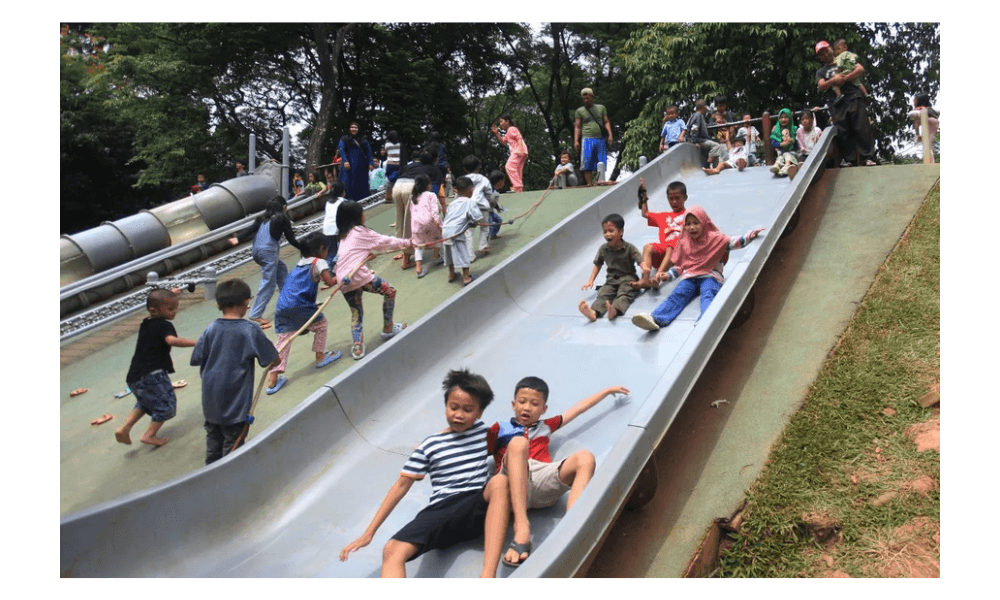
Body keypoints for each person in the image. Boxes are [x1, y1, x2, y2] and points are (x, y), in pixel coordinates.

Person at [339, 368, 511, 578]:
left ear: (479, 413)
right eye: (453, 407)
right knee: (392, 550)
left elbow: (525, 438)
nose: (459, 414)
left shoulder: (485, 434)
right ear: (445, 407)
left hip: (476, 505)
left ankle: (488, 575)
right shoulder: (430, 445)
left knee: (499, 482)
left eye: (468, 409)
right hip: (442, 510)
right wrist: (369, 533)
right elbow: (401, 486)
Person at [487, 377, 630, 567]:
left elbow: (578, 409)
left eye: (534, 404)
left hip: (540, 479)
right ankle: (521, 532)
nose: (527, 408)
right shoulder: (500, 429)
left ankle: (573, 523)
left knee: (585, 457)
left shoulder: (546, 425)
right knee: (517, 445)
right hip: (511, 484)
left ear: (544, 409)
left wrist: (606, 391)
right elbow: (473, 448)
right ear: (514, 404)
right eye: (522, 402)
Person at [631, 206, 764, 332]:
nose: (691, 227)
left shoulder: (714, 238)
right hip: (690, 276)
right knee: (677, 295)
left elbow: (733, 242)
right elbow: (680, 266)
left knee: (708, 293)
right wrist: (668, 275)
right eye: (688, 224)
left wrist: (749, 236)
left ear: (704, 223)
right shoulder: (685, 242)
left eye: (696, 223)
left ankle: (706, 318)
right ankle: (657, 318)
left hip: (710, 275)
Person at [190, 279, 280, 464]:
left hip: (211, 403)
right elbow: (272, 358)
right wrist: (275, 361)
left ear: (218, 304)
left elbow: (197, 357)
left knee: (214, 443)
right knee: (233, 447)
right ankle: (229, 476)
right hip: (235, 405)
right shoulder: (249, 329)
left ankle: (211, 471)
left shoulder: (210, 329)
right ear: (247, 302)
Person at [114, 289, 197, 447]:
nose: (175, 311)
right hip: (153, 375)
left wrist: (171, 294)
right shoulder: (164, 325)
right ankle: (149, 435)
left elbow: (157, 301)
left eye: (176, 307)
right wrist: (197, 343)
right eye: (171, 309)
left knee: (145, 402)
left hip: (134, 377)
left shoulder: (147, 322)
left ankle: (125, 428)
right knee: (166, 405)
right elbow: (171, 341)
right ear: (154, 310)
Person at [264, 232, 343, 394]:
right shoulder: (319, 262)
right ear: (321, 249)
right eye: (326, 249)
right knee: (321, 324)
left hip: (282, 306)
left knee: (284, 340)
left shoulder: (299, 264)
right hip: (301, 305)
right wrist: (342, 277)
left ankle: (272, 378)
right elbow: (329, 281)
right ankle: (320, 356)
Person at [334, 200, 411, 360]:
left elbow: (356, 252)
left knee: (356, 312)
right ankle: (388, 327)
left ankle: (357, 346)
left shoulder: (343, 235)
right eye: (362, 212)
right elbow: (385, 242)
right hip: (358, 276)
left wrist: (367, 254)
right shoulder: (359, 231)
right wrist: (408, 243)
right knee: (390, 291)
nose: (364, 215)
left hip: (343, 280)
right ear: (356, 216)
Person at [228, 196, 304, 330]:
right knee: (269, 282)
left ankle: (290, 301)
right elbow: (291, 239)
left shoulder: (262, 218)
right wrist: (304, 248)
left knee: (281, 270)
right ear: (284, 207)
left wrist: (237, 238)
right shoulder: (282, 218)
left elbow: (250, 229)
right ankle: (256, 313)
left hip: (257, 252)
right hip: (268, 252)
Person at [816, 40, 876, 167]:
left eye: (825, 50)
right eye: (821, 54)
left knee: (861, 127)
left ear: (831, 49)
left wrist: (844, 79)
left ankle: (867, 158)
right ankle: (850, 160)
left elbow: (860, 69)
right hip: (837, 103)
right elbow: (821, 85)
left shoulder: (843, 58)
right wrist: (833, 80)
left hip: (854, 97)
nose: (824, 54)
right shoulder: (821, 71)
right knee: (843, 131)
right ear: (819, 58)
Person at [578, 213, 643, 322]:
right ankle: (594, 313)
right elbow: (598, 264)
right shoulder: (603, 249)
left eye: (611, 231)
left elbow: (640, 260)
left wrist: (645, 268)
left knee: (624, 294)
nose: (607, 234)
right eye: (605, 232)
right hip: (611, 280)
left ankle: (614, 311)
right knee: (603, 294)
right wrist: (591, 280)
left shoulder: (629, 248)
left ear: (621, 232)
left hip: (628, 279)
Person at [392, 151, 443, 270]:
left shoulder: (410, 165)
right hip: (410, 187)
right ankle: (406, 259)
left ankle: (402, 250)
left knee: (400, 222)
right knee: (409, 223)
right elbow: (434, 191)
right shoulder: (432, 168)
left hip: (397, 186)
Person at [632, 178, 687, 289]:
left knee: (671, 247)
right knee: (647, 247)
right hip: (664, 255)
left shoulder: (689, 215)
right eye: (671, 199)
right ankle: (645, 279)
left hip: (680, 255)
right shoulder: (664, 216)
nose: (674, 202)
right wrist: (643, 195)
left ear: (685, 198)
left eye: (677, 198)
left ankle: (657, 277)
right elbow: (645, 213)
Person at [441, 176, 489, 286]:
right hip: (456, 232)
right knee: (463, 253)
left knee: (449, 254)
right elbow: (477, 217)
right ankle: (466, 277)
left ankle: (451, 274)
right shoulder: (470, 202)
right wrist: (474, 223)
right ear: (471, 190)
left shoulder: (453, 203)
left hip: (445, 231)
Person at [574, 87, 613, 186]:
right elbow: (577, 126)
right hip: (587, 138)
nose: (586, 100)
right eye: (584, 99)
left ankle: (601, 181)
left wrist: (610, 134)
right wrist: (576, 141)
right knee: (587, 162)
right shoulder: (579, 111)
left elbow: (606, 122)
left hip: (600, 138)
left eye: (588, 98)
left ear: (592, 97)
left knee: (601, 161)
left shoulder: (601, 108)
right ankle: (589, 183)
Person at [462, 154, 500, 257]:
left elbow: (459, 195)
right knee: (484, 227)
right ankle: (483, 246)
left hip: (467, 208)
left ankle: (470, 255)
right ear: (478, 168)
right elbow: (489, 195)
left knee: (468, 231)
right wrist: (492, 205)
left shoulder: (462, 180)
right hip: (482, 208)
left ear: (465, 169)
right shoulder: (483, 179)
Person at [409, 174, 443, 278]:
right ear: (428, 185)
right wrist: (438, 221)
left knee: (418, 245)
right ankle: (436, 256)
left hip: (416, 225)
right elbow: (435, 209)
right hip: (428, 222)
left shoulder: (413, 197)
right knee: (438, 237)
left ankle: (418, 268)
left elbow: (412, 212)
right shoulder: (431, 195)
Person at [490, 114, 529, 192]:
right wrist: (496, 133)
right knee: (517, 169)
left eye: (501, 121)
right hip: (521, 151)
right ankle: (518, 187)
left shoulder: (511, 129)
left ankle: (517, 186)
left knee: (509, 166)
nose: (500, 124)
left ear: (507, 121)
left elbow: (519, 138)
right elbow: (503, 141)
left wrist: (520, 149)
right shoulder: (508, 132)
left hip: (518, 151)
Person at [337, 121, 375, 201]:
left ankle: (364, 201)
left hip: (361, 166)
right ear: (349, 129)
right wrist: (345, 161)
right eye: (352, 127)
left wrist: (371, 163)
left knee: (362, 184)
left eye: (355, 127)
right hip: (349, 166)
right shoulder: (344, 139)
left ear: (358, 129)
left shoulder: (363, 140)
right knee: (348, 184)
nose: (353, 129)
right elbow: (341, 150)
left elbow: (369, 152)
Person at [832, 39, 869, 103]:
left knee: (834, 83)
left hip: (846, 71)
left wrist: (839, 73)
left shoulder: (840, 56)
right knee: (858, 83)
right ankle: (866, 94)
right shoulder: (851, 54)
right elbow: (856, 63)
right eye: (835, 50)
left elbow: (839, 66)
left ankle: (839, 95)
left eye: (838, 49)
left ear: (845, 48)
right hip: (853, 69)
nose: (836, 51)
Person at [686, 98, 720, 167]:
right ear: (703, 107)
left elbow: (704, 127)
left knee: (715, 154)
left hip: (702, 140)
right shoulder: (697, 115)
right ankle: (710, 160)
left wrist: (714, 123)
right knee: (716, 146)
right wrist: (694, 142)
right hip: (699, 140)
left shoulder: (698, 116)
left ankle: (714, 166)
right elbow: (694, 129)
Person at [322, 180, 347, 268]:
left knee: (331, 252)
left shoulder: (327, 203)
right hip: (337, 229)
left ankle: (329, 269)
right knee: (343, 248)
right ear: (342, 192)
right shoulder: (343, 202)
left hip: (326, 230)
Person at [769, 108, 799, 178]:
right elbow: (773, 143)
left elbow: (797, 141)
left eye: (786, 117)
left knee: (787, 155)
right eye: (781, 118)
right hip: (782, 153)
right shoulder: (777, 130)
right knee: (780, 158)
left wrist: (791, 140)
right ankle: (777, 165)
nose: (783, 119)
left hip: (793, 153)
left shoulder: (794, 129)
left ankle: (787, 166)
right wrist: (781, 144)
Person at [910, 93, 939, 163]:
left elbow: (916, 124)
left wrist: (917, 134)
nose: (913, 102)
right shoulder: (929, 109)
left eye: (915, 100)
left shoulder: (918, 109)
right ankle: (931, 161)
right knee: (929, 143)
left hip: (927, 121)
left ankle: (930, 162)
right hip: (935, 122)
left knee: (927, 145)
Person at [384, 130, 402, 196]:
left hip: (390, 164)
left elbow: (386, 151)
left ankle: (389, 195)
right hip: (398, 164)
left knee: (390, 180)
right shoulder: (400, 144)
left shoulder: (387, 145)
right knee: (398, 180)